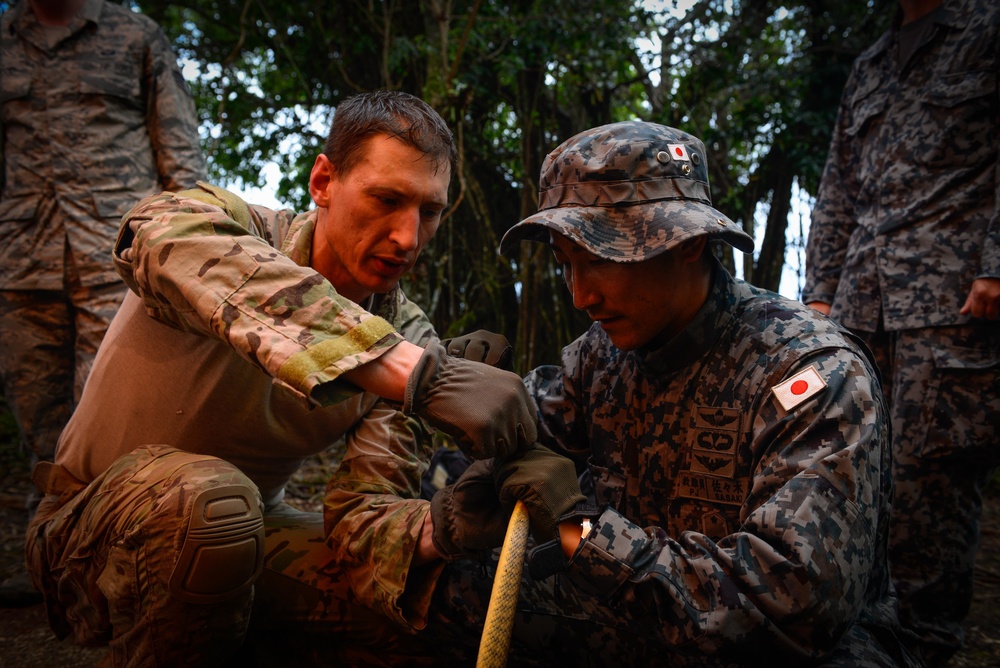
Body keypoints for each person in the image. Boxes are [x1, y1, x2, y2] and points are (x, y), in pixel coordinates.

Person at [324, 120, 918, 666]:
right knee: (438, 589)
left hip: (779, 650)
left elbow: (791, 610)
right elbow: (528, 426)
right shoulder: (602, 355)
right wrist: (453, 384)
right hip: (643, 622)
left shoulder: (810, 376)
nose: (581, 295)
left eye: (602, 259)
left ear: (687, 244)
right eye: (565, 263)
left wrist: (577, 528)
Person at [23, 89, 537, 666]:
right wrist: (406, 369)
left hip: (251, 534)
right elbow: (153, 232)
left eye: (430, 211)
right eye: (386, 199)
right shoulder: (233, 232)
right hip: (87, 530)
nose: (408, 238)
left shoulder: (412, 341)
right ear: (322, 182)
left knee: (439, 602)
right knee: (213, 506)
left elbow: (361, 519)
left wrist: (443, 527)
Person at [802, 1, 1000, 665]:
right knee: (855, 466)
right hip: (862, 302)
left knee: (931, 476)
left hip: (953, 301)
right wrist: (820, 294)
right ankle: (863, 636)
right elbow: (837, 186)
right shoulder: (870, 64)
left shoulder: (985, 28)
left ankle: (924, 641)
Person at [0, 0, 207, 607]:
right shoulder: (4, 38)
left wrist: (190, 245)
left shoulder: (135, 35)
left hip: (116, 258)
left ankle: (120, 568)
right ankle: (54, 565)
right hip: (20, 260)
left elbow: (179, 151)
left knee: (113, 420)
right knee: (40, 420)